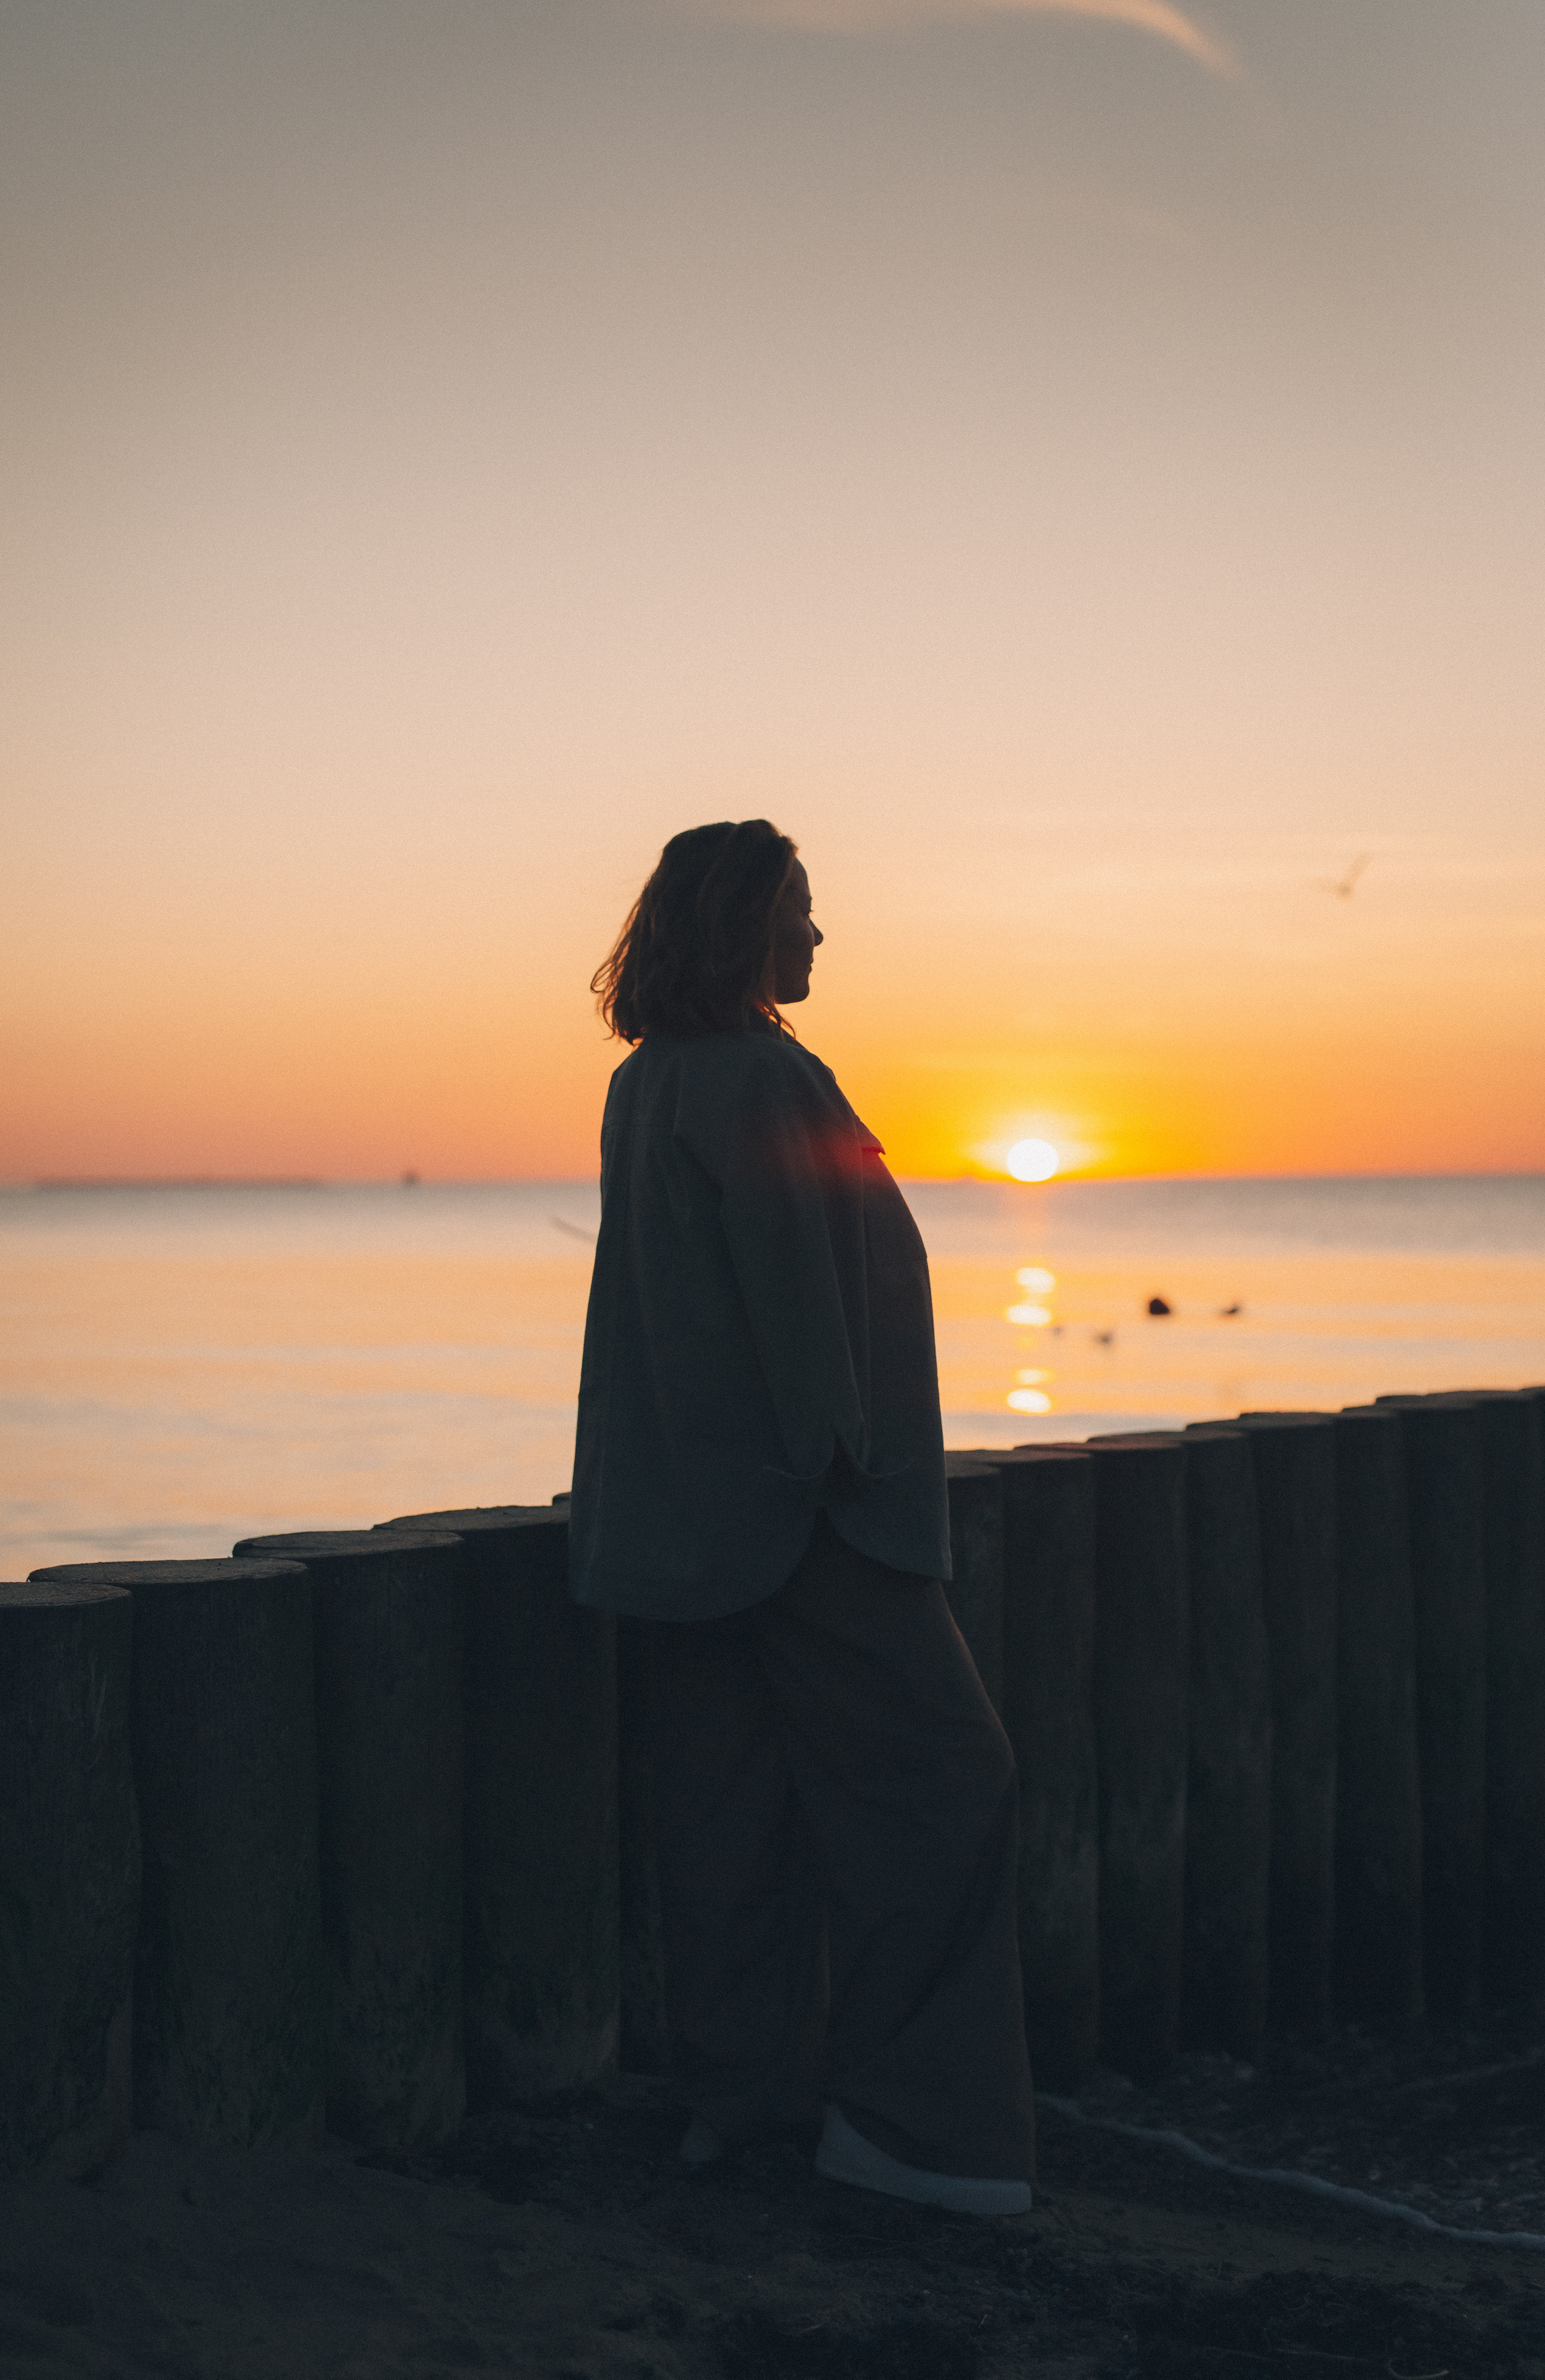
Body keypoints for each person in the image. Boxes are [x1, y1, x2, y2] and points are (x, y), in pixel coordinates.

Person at [569, 819, 1035, 2215]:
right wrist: (839, 1462)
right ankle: (919, 2136)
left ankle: (744, 2103)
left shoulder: (646, 1083)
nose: (818, 935)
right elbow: (791, 1290)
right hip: (805, 1518)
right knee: (947, 1790)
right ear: (738, 927)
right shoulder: (767, 1077)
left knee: (729, 1819)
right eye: (800, 911)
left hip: (677, 1528)